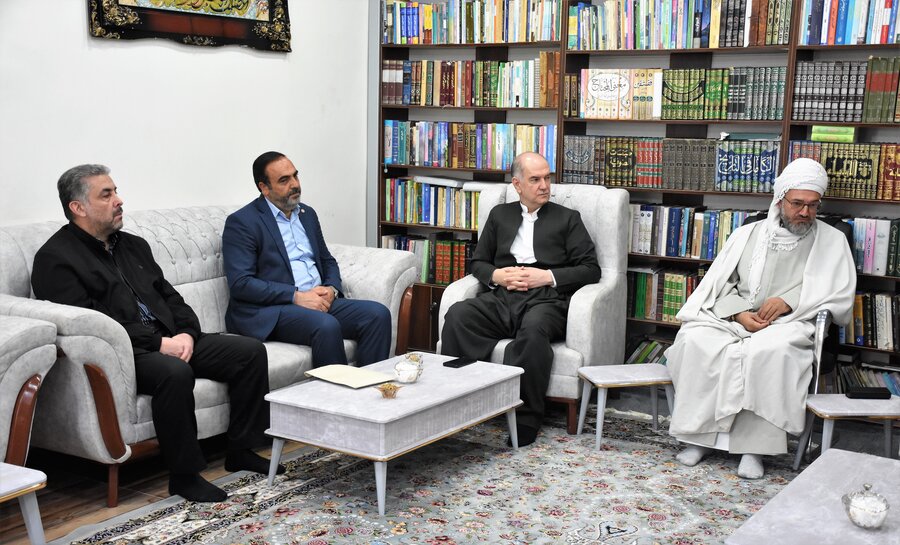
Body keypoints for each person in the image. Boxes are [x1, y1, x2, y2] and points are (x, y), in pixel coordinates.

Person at [31, 164, 281, 503]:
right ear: (78, 207)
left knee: (248, 352)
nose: (119, 200)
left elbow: (170, 297)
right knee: (174, 373)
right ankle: (185, 476)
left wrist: (187, 334)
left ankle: (241, 450)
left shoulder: (133, 245)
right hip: (126, 352)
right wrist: (158, 343)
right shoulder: (55, 259)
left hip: (169, 337)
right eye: (106, 195)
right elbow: (91, 325)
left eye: (116, 191)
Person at [665, 158, 856, 479]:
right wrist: (739, 312)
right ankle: (700, 439)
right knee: (696, 341)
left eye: (812, 205)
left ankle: (753, 449)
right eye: (797, 203)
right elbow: (718, 284)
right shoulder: (746, 234)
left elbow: (836, 290)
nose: (805, 212)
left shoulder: (831, 240)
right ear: (780, 200)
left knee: (769, 352)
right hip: (735, 317)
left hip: (792, 321)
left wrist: (788, 302)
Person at [440, 151, 601, 447]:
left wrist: (547, 276)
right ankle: (460, 401)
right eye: (535, 179)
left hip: (547, 300)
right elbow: (478, 262)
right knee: (459, 315)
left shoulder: (568, 219)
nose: (544, 186)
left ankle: (525, 418)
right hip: (503, 296)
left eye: (547, 178)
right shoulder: (500, 215)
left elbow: (591, 269)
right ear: (517, 184)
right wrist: (497, 276)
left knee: (533, 331)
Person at [222, 151, 391, 367]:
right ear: (264, 187)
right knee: (326, 325)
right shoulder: (243, 222)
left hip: (316, 300)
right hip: (273, 309)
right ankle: (336, 390)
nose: (295, 184)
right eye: (284, 180)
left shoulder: (307, 214)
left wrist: (331, 288)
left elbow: (327, 260)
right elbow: (241, 284)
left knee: (378, 315)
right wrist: (296, 297)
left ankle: (370, 385)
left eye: (295, 176)